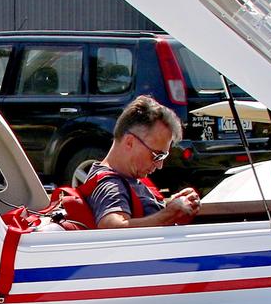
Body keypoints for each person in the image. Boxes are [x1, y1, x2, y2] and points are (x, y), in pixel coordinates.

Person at [83, 96, 202, 228]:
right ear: (130, 142)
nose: (159, 165)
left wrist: (172, 208)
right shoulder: (110, 185)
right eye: (156, 155)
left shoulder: (129, 178)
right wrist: (168, 214)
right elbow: (112, 228)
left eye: (163, 156)